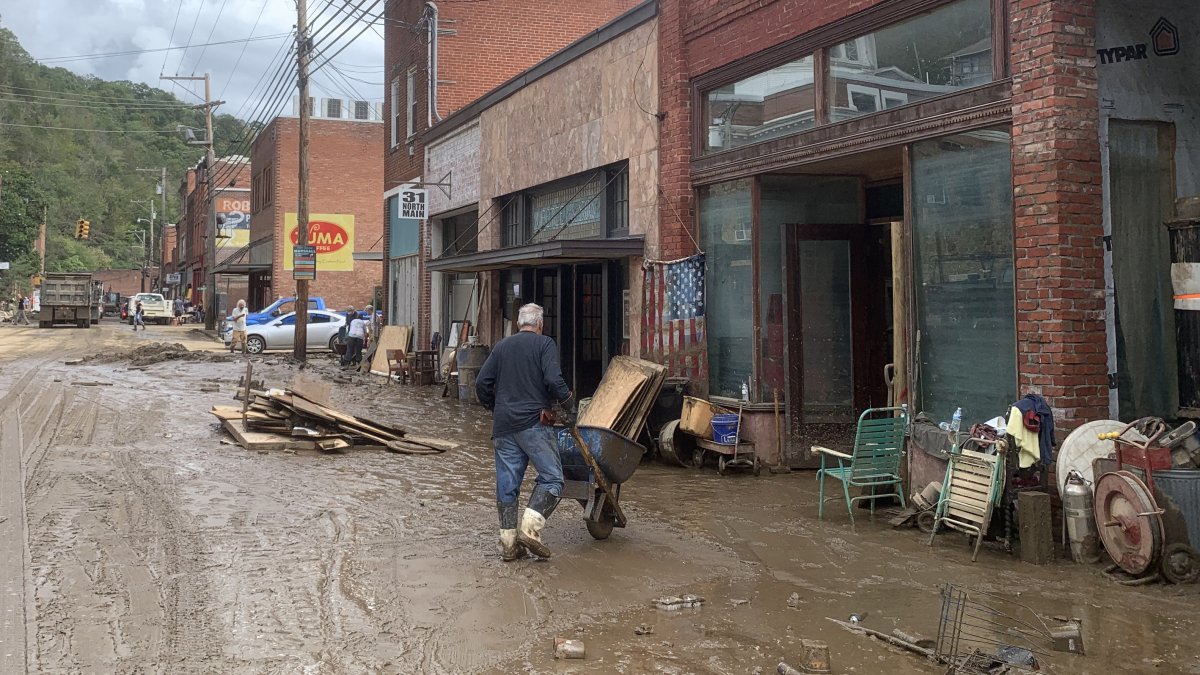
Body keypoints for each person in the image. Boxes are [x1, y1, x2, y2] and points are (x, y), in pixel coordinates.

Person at [475, 303, 572, 561]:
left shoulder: (501, 346)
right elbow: (554, 380)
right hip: (534, 423)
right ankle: (530, 530)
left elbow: (481, 383)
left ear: (519, 324)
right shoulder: (544, 344)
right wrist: (569, 403)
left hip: (504, 425)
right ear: (540, 325)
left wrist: (494, 408)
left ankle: (508, 544)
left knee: (507, 485)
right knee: (553, 478)